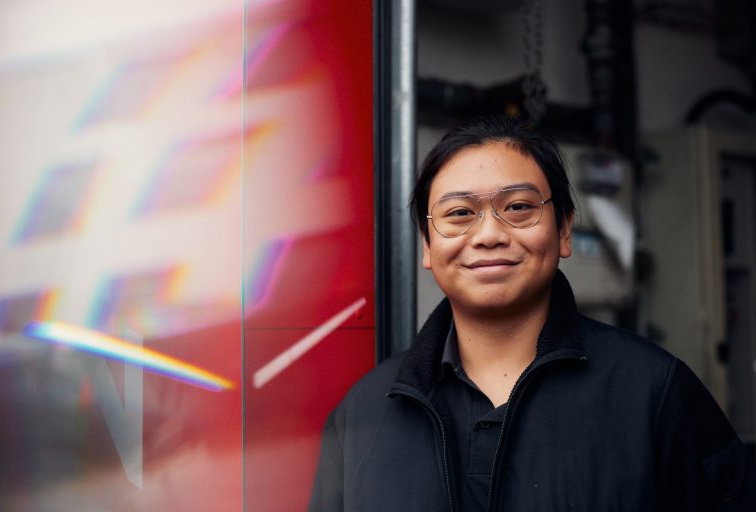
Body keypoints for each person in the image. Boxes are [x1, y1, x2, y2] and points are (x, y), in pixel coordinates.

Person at [308, 115, 756, 511]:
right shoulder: (362, 414)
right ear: (428, 245)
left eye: (518, 208)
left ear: (563, 229)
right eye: (459, 213)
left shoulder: (652, 392)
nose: (488, 234)